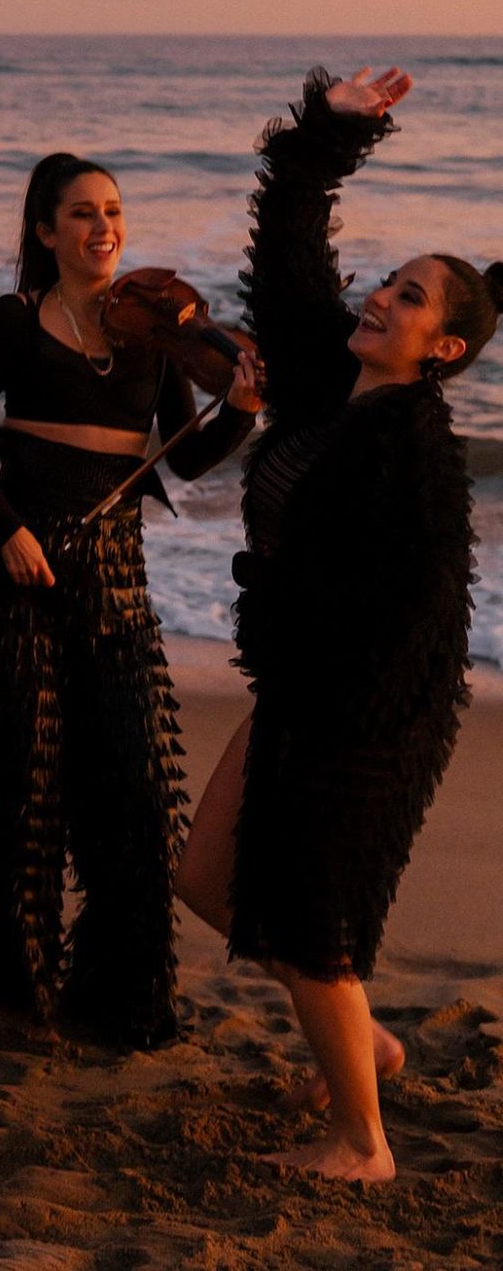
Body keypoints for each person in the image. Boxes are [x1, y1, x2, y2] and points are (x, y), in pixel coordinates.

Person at [177, 67, 503, 1183]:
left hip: (365, 715)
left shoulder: (416, 453)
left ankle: (362, 1143)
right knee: (213, 879)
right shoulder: (327, 384)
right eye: (393, 282)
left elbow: (415, 616)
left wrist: (332, 715)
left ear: (444, 352)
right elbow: (289, 251)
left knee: (313, 924)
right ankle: (365, 1045)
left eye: (411, 299)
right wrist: (329, 136)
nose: (385, 299)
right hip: (302, 688)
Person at [0, 153, 260, 1047]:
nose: (102, 227)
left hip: (115, 575)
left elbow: (184, 460)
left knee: (135, 788)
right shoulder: (14, 321)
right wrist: (6, 528)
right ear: (46, 233)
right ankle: (14, 996)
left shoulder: (154, 334)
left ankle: (119, 997)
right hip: (14, 572)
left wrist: (239, 407)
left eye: (113, 210)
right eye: (80, 213)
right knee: (23, 788)